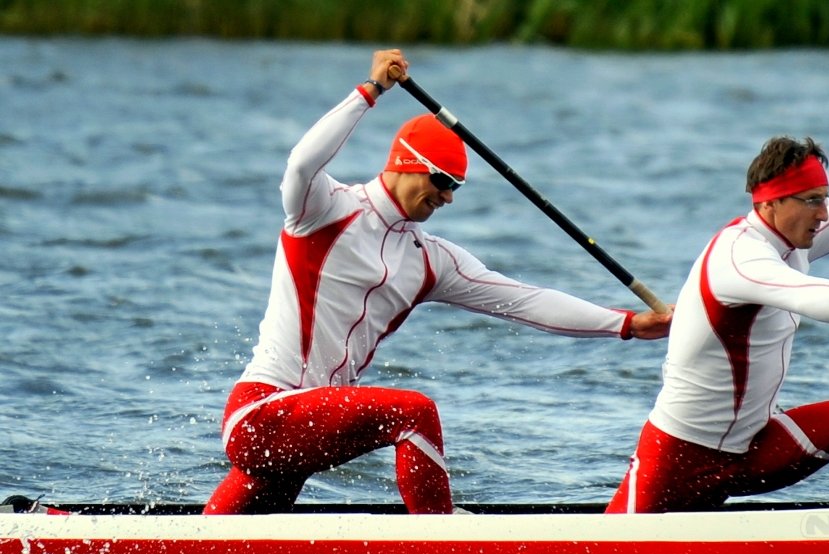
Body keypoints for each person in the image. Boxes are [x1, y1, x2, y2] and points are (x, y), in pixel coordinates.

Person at [205, 49, 671, 515]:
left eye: (456, 187)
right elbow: (301, 163)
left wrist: (627, 324)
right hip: (263, 415)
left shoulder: (430, 260)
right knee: (414, 414)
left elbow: (526, 301)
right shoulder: (322, 211)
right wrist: (370, 92)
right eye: (442, 180)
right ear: (406, 162)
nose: (448, 197)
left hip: (307, 429)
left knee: (218, 553)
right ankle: (440, 540)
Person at [605, 63, 829, 514]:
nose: (824, 213)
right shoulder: (740, 256)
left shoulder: (793, 239)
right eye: (812, 201)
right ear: (769, 203)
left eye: (824, 199)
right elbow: (809, 296)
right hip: (679, 457)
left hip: (754, 449)